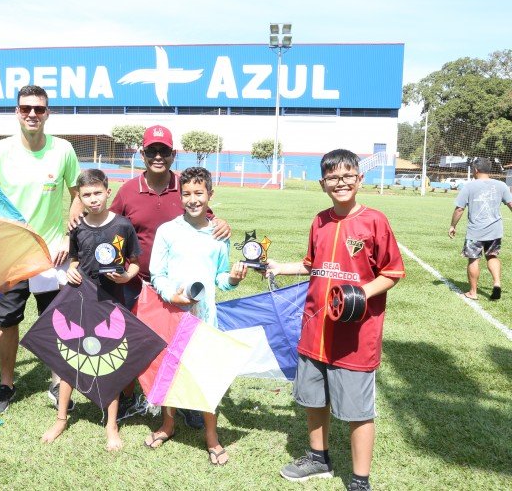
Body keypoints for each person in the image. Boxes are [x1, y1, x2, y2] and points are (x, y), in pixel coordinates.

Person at [266, 149, 405, 491]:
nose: (340, 183)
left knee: (359, 410)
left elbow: (392, 272)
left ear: (360, 179)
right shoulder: (320, 221)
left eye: (347, 176)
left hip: (354, 336)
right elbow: (313, 264)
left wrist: (360, 293)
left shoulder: (375, 221)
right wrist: (281, 267)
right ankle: (318, 458)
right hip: (315, 330)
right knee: (313, 399)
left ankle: (359, 479)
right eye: (333, 178)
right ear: (322, 183)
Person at [109, 124, 230, 428]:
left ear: (173, 153)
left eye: (164, 150)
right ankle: (130, 396)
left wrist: (222, 223)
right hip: (136, 282)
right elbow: (111, 226)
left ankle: (186, 403)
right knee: (133, 342)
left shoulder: (186, 186)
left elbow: (205, 218)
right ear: (143, 153)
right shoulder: (128, 190)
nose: (158, 156)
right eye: (152, 150)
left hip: (178, 287)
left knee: (183, 344)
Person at [0, 84, 84, 414]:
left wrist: (67, 238)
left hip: (50, 255)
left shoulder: (63, 150)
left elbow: (78, 195)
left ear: (48, 112)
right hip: (10, 256)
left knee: (55, 320)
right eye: (26, 108)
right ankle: (6, 384)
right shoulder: (0, 151)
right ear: (17, 112)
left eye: (39, 108)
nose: (32, 114)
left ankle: (57, 382)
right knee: (6, 321)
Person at [145, 167, 247, 466]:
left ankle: (211, 436)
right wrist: (171, 295)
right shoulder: (168, 231)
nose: (193, 199)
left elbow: (221, 277)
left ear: (210, 195)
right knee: (171, 370)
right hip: (172, 315)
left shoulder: (218, 234)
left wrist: (234, 279)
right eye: (187, 193)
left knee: (206, 375)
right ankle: (168, 424)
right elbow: (157, 274)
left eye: (199, 193)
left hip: (205, 319)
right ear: (180, 196)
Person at [41, 169, 141, 451]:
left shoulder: (123, 225)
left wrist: (126, 276)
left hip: (111, 302)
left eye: (98, 193)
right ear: (80, 198)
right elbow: (75, 260)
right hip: (80, 299)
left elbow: (134, 262)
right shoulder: (77, 227)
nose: (93, 199)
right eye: (87, 195)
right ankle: (61, 419)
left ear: (108, 192)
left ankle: (111, 425)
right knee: (70, 357)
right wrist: (71, 271)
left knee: (110, 362)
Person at [448, 157, 512, 300]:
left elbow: (459, 209)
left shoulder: (469, 187)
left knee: (473, 259)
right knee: (492, 256)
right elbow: (511, 204)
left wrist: (453, 226)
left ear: (476, 170)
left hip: (475, 231)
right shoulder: (501, 185)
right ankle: (497, 283)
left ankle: (473, 292)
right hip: (495, 230)